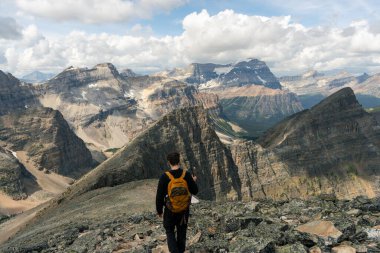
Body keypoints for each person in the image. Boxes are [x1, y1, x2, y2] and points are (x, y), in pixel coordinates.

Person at [156, 152, 198, 253]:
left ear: (169, 162)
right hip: (184, 211)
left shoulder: (165, 177)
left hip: (170, 210)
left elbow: (159, 196)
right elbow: (195, 191)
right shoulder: (186, 175)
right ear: (179, 161)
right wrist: (193, 181)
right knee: (182, 232)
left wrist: (159, 211)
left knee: (169, 230)